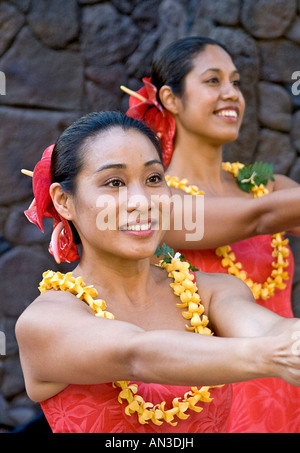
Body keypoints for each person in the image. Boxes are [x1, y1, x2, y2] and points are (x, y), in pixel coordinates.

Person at [16, 111, 300, 434]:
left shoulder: (212, 292)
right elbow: (136, 354)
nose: (142, 201)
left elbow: (267, 330)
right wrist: (274, 353)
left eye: (153, 179)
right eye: (114, 183)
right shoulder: (43, 323)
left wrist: (288, 339)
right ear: (64, 200)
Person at [123, 37, 300, 433]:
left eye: (236, 83)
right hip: (206, 403)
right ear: (170, 98)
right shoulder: (156, 200)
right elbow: (257, 219)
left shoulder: (265, 187)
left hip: (287, 390)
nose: (231, 94)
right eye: (213, 81)